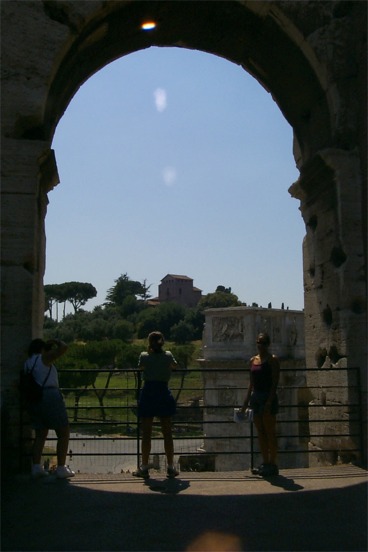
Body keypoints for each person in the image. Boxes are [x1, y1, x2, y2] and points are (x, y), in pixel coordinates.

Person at [24, 338, 75, 479]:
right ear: (42, 349)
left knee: (40, 434)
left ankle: (36, 467)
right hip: (49, 395)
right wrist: (55, 341)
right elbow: (64, 347)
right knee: (63, 432)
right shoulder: (43, 358)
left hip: (34, 398)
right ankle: (60, 467)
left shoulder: (28, 363)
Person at [133, 331, 179, 479]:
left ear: (149, 342)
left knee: (146, 432)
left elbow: (140, 368)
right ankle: (171, 466)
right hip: (163, 391)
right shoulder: (168, 355)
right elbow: (174, 366)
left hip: (148, 392)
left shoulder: (144, 356)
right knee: (167, 431)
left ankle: (144, 467)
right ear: (163, 342)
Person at [241, 332, 280, 477]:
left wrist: (269, 401)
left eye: (263, 343)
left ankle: (273, 463)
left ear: (268, 344)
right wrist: (245, 402)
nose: (260, 345)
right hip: (256, 397)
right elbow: (251, 383)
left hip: (267, 397)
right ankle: (265, 462)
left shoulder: (273, 360)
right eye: (258, 342)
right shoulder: (253, 360)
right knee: (260, 432)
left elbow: (275, 381)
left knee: (270, 432)